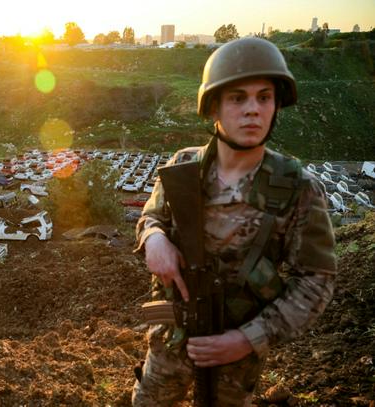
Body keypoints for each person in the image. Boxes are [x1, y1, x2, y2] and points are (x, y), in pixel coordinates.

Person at [132, 37, 337, 406]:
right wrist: (154, 238)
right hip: (170, 341)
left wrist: (247, 339)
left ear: (276, 106)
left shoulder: (298, 188)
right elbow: (152, 216)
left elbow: (316, 280)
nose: (253, 110)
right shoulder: (183, 167)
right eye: (238, 98)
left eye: (264, 97)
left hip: (234, 357)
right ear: (214, 107)